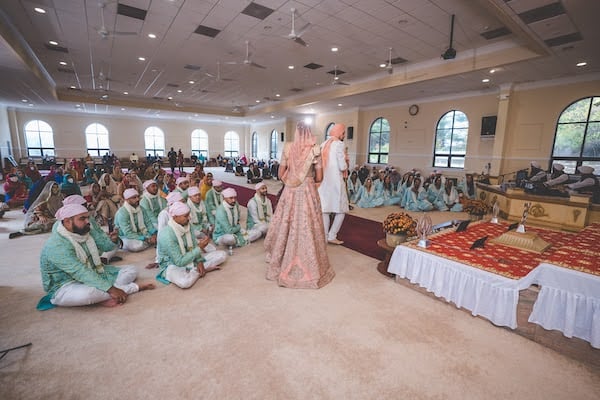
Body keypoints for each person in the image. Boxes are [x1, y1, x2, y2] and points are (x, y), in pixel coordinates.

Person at [37, 203, 154, 310]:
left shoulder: (84, 232)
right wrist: (114, 290)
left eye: (88, 217)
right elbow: (80, 271)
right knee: (89, 294)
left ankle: (106, 295)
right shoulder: (57, 245)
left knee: (132, 270)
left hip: (93, 272)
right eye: (82, 218)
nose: (88, 221)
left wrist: (113, 240)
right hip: (65, 285)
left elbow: (105, 247)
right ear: (67, 221)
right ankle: (127, 289)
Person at [264, 121, 334, 289]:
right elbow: (319, 177)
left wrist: (291, 182)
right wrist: (307, 180)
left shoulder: (288, 147)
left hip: (290, 191)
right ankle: (312, 265)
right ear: (309, 132)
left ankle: (281, 260)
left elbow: (280, 173)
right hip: (308, 190)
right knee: (308, 224)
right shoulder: (315, 149)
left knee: (286, 222)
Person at [156, 202, 223, 289]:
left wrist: (199, 261)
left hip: (189, 257)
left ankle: (194, 270)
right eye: (186, 216)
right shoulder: (167, 235)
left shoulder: (188, 225)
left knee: (222, 255)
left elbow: (194, 245)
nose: (189, 218)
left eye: (189, 215)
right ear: (175, 217)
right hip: (172, 264)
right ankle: (197, 271)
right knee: (185, 283)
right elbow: (179, 261)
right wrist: (200, 248)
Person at [62, 194, 122, 264]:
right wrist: (107, 241)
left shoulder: (88, 218)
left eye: (85, 206)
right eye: (82, 206)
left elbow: (98, 231)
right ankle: (102, 259)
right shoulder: (62, 226)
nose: (85, 208)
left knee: (116, 241)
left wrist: (108, 238)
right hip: (80, 256)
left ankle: (103, 258)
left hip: (95, 245)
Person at [318, 123, 349, 245]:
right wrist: (347, 161)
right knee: (341, 210)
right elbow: (342, 166)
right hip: (336, 182)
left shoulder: (323, 144)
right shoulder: (339, 145)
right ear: (339, 132)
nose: (344, 135)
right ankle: (332, 235)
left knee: (325, 210)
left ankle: (325, 237)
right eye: (343, 132)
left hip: (324, 181)